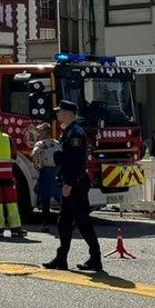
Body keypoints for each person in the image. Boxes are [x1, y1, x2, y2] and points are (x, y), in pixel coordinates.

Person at [45, 101, 103, 274]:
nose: (57, 114)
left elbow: (77, 162)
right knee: (64, 222)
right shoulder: (68, 132)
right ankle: (61, 258)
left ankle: (95, 258)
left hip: (75, 183)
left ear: (68, 113)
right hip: (69, 182)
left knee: (82, 221)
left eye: (60, 111)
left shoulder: (75, 133)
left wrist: (69, 183)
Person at [30, 124, 60, 225]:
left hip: (46, 171)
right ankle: (69, 219)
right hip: (56, 170)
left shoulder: (40, 144)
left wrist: (36, 166)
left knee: (45, 197)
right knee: (59, 196)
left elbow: (34, 154)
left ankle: (45, 222)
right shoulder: (56, 143)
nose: (38, 133)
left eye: (40, 131)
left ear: (44, 132)